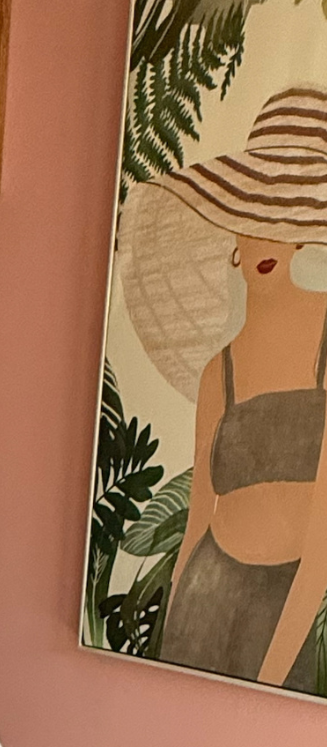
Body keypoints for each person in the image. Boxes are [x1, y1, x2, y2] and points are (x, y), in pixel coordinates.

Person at [119, 86, 327, 690]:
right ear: (236, 233)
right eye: (256, 216)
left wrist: (269, 671)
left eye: (285, 219)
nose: (267, 237)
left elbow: (320, 543)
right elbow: (195, 520)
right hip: (205, 599)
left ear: (304, 234)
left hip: (283, 602)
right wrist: (168, 648)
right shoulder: (221, 370)